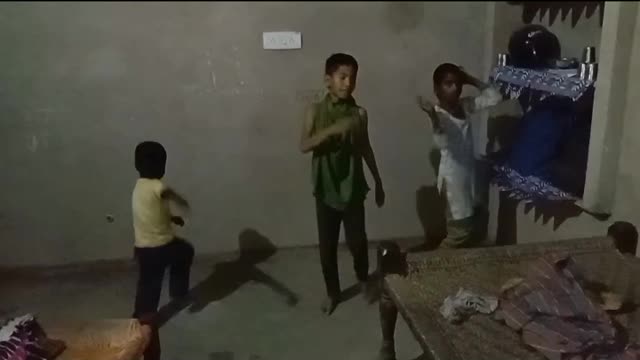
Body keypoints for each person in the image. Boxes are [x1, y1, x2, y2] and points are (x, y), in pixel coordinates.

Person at [299, 53, 385, 315]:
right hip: (326, 188)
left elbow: (365, 148)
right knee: (327, 247)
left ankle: (362, 279)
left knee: (358, 241)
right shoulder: (314, 110)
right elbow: (304, 144)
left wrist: (378, 181)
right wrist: (332, 130)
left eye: (352, 78)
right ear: (328, 80)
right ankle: (332, 292)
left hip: (353, 186)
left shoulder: (359, 114)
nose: (348, 83)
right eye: (342, 77)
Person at [417, 63, 503, 248]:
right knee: (459, 231)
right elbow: (442, 142)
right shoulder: (440, 115)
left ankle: (449, 264)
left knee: (467, 226)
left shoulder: (464, 106)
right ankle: (435, 265)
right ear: (437, 89)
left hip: (466, 176)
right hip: (452, 180)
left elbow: (495, 97)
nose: (455, 88)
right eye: (448, 84)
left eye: (458, 84)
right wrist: (432, 116)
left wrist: (470, 79)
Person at [132, 141, 194, 319]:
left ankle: (143, 314)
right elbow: (166, 193)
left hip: (143, 247)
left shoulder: (139, 187)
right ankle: (147, 315)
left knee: (149, 281)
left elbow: (150, 213)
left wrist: (171, 218)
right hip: (159, 247)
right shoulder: (157, 185)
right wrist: (181, 201)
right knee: (152, 281)